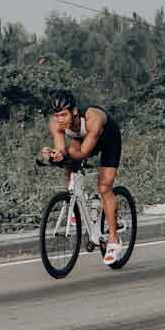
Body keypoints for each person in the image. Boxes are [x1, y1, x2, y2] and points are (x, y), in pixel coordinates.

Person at [39, 91, 124, 264]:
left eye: (63, 115)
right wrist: (54, 155)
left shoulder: (93, 118)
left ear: (75, 112)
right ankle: (77, 202)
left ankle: (114, 240)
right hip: (81, 139)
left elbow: (83, 153)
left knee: (104, 187)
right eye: (56, 115)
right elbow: (62, 150)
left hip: (108, 140)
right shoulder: (56, 124)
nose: (60, 120)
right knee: (68, 158)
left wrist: (66, 156)